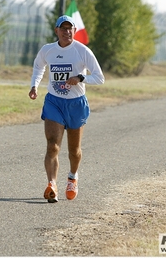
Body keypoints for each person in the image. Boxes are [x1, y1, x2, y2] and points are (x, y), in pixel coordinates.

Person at [28, 15, 105, 203]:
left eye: (70, 28)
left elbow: (99, 77)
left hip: (76, 103)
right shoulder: (48, 50)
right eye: (63, 28)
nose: (67, 31)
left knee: (74, 150)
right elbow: (39, 67)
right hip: (54, 101)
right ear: (56, 31)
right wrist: (34, 85)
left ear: (75, 31)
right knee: (52, 144)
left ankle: (72, 177)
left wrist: (81, 78)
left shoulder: (82, 51)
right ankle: (51, 184)